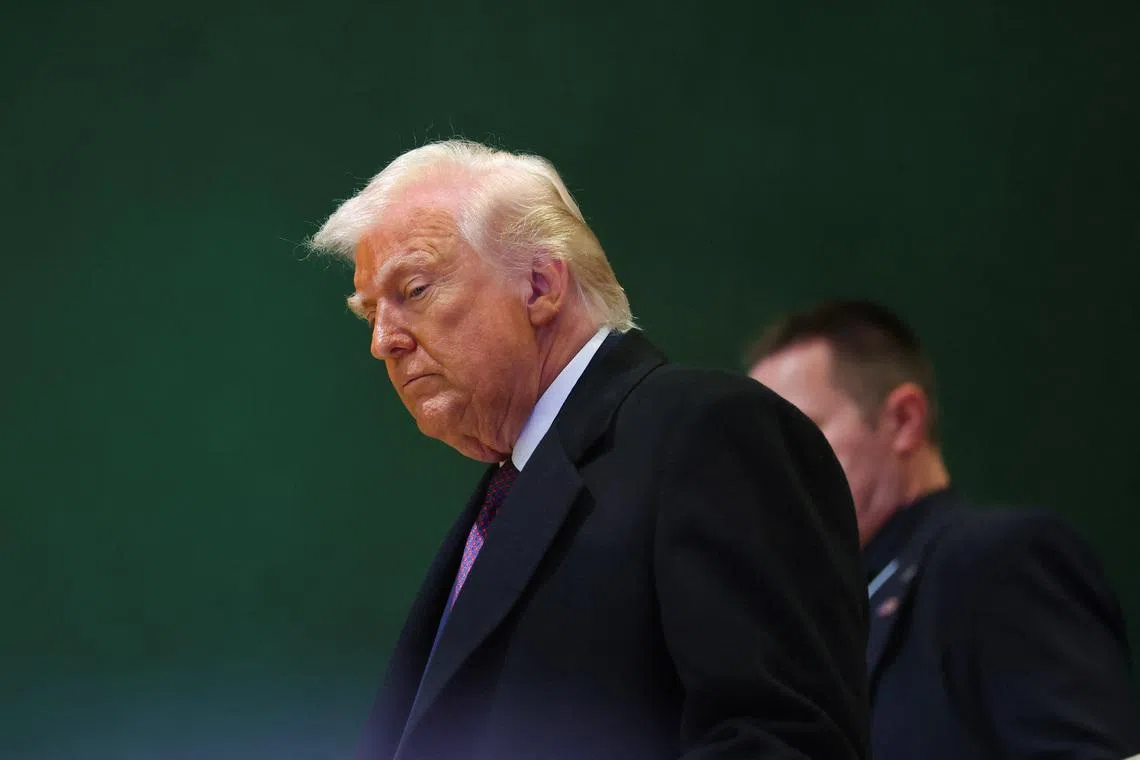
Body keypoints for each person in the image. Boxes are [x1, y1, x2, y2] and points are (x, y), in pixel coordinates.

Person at [308, 140, 870, 760]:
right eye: (369, 314)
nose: (383, 341)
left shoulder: (711, 433)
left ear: (541, 286)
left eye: (413, 289)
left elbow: (786, 741)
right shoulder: (510, 488)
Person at [747, 299, 1140, 760]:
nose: (771, 469)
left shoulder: (997, 560)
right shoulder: (832, 611)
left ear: (904, 420)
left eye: (800, 434)